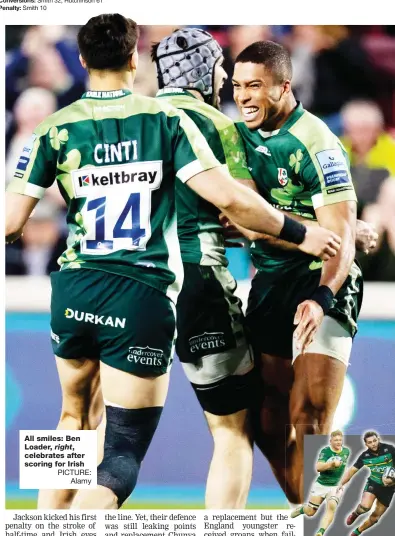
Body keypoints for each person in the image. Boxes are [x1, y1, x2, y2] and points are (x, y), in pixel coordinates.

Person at [5, 16, 339, 510]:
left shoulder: (53, 125)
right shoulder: (182, 124)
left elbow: (10, 223)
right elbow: (241, 209)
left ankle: (46, 527)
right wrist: (308, 233)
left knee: (74, 417)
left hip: (76, 288)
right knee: (218, 433)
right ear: (134, 58)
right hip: (170, 287)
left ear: (82, 61)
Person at [229, 40, 363, 505]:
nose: (244, 96)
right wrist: (305, 228)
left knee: (309, 418)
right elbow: (248, 222)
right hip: (269, 283)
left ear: (284, 87)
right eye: (237, 86)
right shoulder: (235, 137)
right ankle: (312, 509)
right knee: (265, 420)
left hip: (320, 279)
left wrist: (323, 295)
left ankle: (331, 524)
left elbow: (339, 240)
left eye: (255, 86)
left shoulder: (318, 143)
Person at [152, 27, 256, 509]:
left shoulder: (130, 119)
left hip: (124, 285)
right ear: (207, 72)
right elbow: (246, 211)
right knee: (232, 432)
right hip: (198, 279)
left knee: (108, 435)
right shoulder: (218, 124)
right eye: (221, 70)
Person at [290, 430, 350, 536]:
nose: (338, 442)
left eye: (340, 440)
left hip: (335, 486)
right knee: (311, 512)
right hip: (321, 484)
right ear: (331, 440)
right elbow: (318, 467)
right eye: (336, 440)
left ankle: (320, 532)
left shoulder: (346, 451)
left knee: (332, 506)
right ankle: (303, 509)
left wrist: (342, 481)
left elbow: (345, 467)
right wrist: (331, 464)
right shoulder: (326, 451)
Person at [339, 431, 395, 536]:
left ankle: (357, 532)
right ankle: (356, 513)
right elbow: (352, 471)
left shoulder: (389, 449)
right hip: (374, 483)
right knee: (365, 507)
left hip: (389, 488)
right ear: (366, 444)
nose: (373, 444)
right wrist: (340, 484)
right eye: (370, 442)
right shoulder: (365, 456)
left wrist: (392, 479)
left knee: (375, 517)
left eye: (375, 440)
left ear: (378, 439)